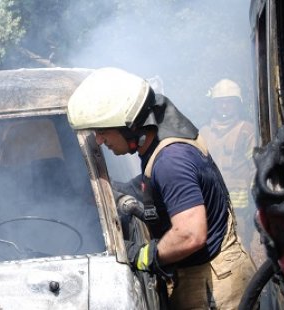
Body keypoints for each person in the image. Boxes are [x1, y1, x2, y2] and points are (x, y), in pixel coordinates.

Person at [67, 67, 255, 309]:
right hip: (204, 277)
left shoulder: (171, 161)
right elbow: (153, 185)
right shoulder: (159, 144)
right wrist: (112, 192)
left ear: (130, 126)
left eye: (102, 132)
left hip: (214, 292)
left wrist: (142, 256)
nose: (100, 141)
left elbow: (190, 235)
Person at [200, 79, 257, 249]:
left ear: (237, 104)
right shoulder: (204, 133)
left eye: (229, 102)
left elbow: (255, 168)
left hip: (240, 210)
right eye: (220, 102)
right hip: (210, 206)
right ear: (214, 104)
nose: (224, 106)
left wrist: (257, 203)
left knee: (239, 249)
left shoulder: (247, 130)